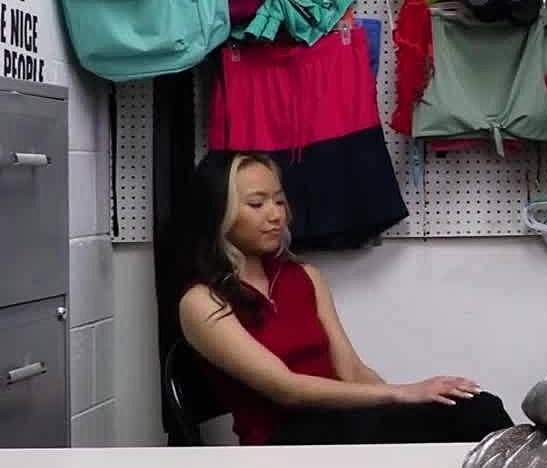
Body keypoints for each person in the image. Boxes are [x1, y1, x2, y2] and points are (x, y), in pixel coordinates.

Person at [174, 151, 514, 445]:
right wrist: (402, 393)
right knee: (472, 415)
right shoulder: (202, 302)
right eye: (256, 204)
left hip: (342, 422)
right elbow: (286, 389)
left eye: (278, 200)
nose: (276, 214)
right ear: (219, 212)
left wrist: (412, 403)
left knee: (476, 406)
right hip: (283, 442)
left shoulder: (305, 276)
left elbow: (351, 370)